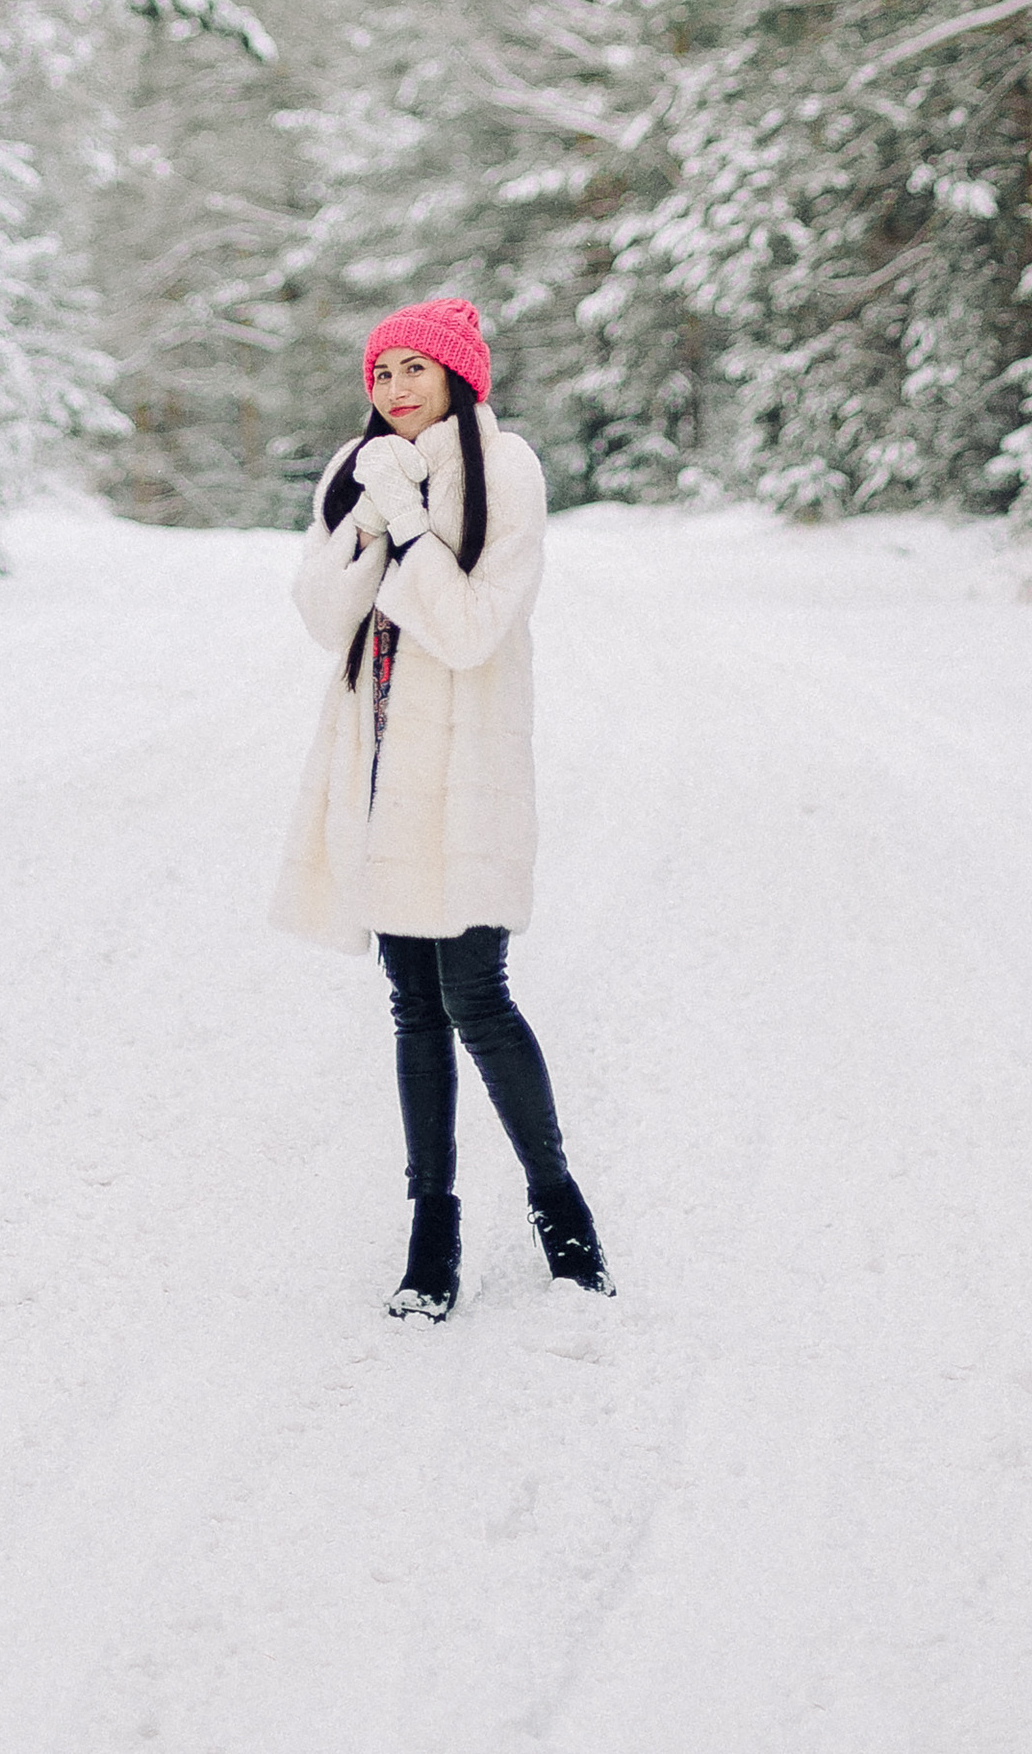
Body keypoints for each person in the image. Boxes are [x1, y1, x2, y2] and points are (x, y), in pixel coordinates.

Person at [271, 294, 612, 1320]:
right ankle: (432, 1231)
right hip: (376, 774)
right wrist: (369, 517)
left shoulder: (504, 471)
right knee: (412, 1006)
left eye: (416, 368)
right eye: (381, 372)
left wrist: (414, 524)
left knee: (477, 997)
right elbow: (323, 613)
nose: (395, 389)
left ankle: (562, 1210)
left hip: (463, 783)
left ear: (460, 375)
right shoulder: (358, 468)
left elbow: (469, 628)